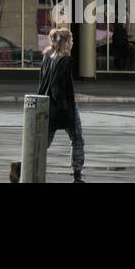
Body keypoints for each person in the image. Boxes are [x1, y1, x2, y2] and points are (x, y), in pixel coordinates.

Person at [37, 27, 84, 182]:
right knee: (77, 139)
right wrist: (65, 108)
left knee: (43, 142)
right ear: (65, 42)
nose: (73, 43)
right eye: (71, 40)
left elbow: (44, 82)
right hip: (63, 107)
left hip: (46, 103)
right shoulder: (65, 60)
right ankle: (77, 175)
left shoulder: (47, 56)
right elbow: (58, 87)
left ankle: (23, 166)